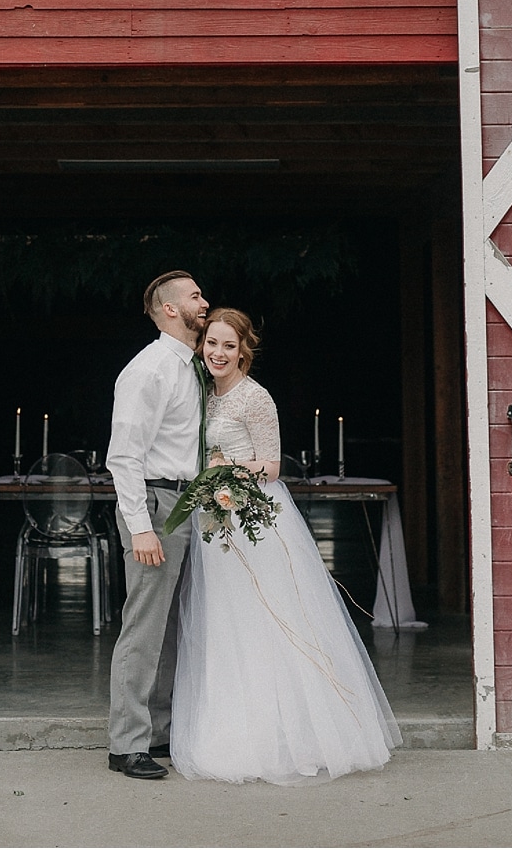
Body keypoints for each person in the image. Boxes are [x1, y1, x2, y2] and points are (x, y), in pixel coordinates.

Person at [170, 308, 402, 784]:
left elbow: (272, 466)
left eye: (228, 346)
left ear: (243, 352)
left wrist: (225, 474)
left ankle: (288, 734)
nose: (217, 352)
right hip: (215, 518)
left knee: (266, 618)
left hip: (254, 513)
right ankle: (229, 729)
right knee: (224, 621)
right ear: (201, 345)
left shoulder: (255, 399)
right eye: (211, 343)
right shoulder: (202, 393)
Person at [105, 269, 210, 782]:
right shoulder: (148, 370)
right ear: (170, 309)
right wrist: (141, 526)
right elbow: (123, 457)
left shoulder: (191, 367)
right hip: (155, 503)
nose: (203, 301)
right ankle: (126, 745)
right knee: (144, 625)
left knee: (172, 625)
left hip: (186, 501)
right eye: (194, 296)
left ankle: (159, 731)